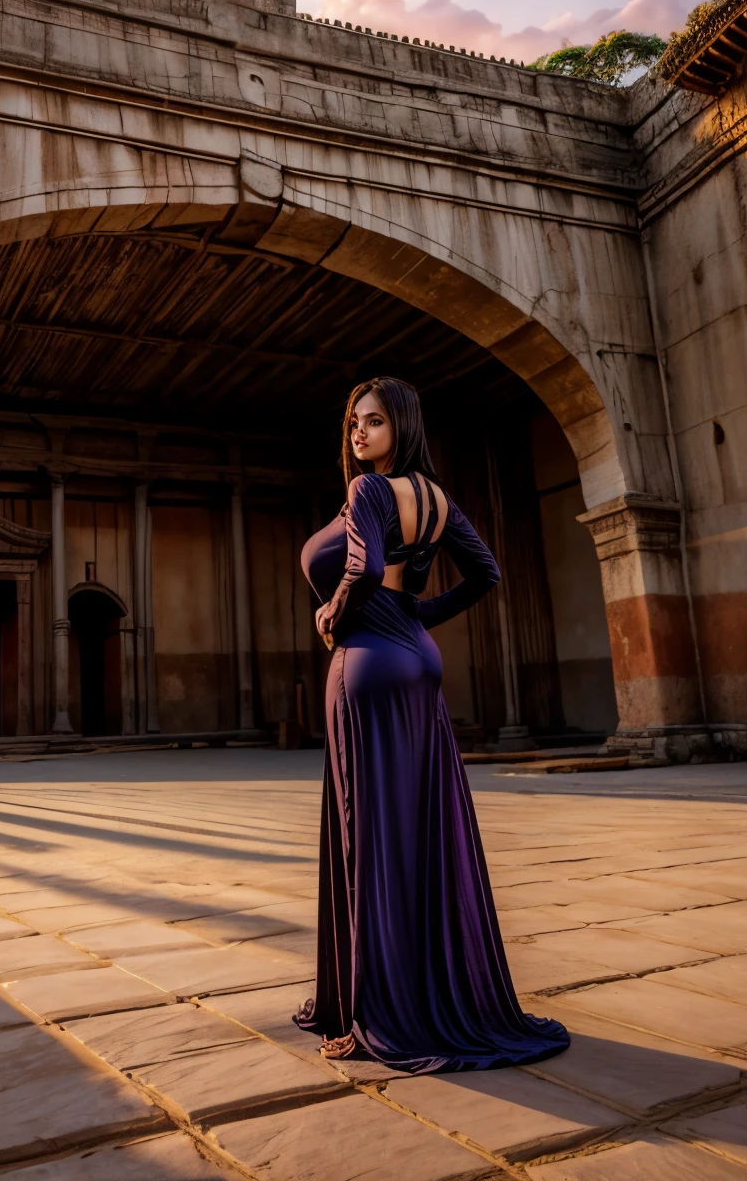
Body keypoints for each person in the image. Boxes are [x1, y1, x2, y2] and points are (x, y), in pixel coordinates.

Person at [293, 376, 569, 1073]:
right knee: (418, 830)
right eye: (353, 421)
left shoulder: (369, 493)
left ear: (403, 427)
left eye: (374, 422)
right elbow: (485, 576)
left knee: (371, 836)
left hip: (367, 664)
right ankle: (434, 992)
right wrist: (415, 617)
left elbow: (359, 567)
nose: (358, 433)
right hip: (418, 661)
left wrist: (334, 612)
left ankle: (376, 1010)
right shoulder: (440, 501)